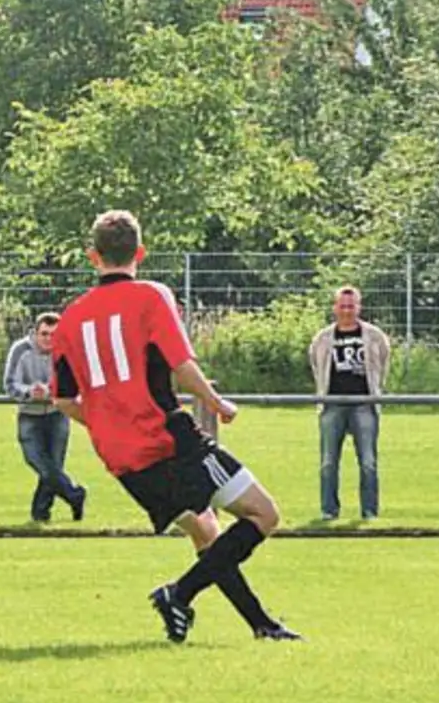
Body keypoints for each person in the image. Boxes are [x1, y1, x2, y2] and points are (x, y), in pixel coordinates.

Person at [51, 210, 300, 643]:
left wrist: (109, 423)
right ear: (140, 253)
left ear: (93, 256)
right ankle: (178, 594)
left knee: (207, 534)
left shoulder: (70, 318)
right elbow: (181, 366)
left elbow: (63, 399)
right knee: (264, 514)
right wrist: (217, 403)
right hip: (167, 439)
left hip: (122, 457)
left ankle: (261, 625)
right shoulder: (152, 295)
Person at [307, 286, 393, 520]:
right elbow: (316, 364)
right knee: (328, 462)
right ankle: (329, 510)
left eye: (351, 306)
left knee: (368, 462)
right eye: (343, 306)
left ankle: (369, 511)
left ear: (359, 307)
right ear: (335, 308)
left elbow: (383, 363)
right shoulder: (322, 338)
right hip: (332, 404)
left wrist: (375, 391)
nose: (347, 311)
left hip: (364, 404)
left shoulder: (375, 336)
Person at [3, 313, 87, 522]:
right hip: (29, 415)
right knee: (37, 461)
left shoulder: (67, 351)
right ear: (35, 332)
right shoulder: (20, 350)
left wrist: (50, 392)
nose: (49, 339)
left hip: (58, 413)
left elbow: (76, 382)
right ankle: (74, 494)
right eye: (44, 334)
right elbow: (10, 384)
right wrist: (30, 392)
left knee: (53, 467)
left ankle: (40, 514)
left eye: (54, 335)